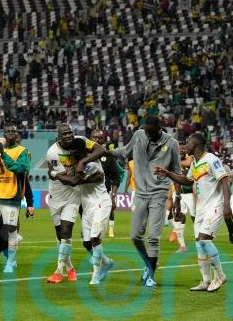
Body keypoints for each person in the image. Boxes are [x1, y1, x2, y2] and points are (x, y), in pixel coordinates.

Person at [107, 115, 181, 289]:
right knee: (135, 236)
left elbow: (177, 171)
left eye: (150, 131)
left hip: (159, 194)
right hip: (140, 194)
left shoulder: (172, 144)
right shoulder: (139, 135)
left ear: (158, 128)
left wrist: (177, 198)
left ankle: (150, 275)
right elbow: (125, 151)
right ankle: (150, 264)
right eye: (145, 130)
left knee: (153, 237)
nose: (146, 133)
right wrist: (105, 152)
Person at [155, 132, 232, 292]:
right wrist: (168, 173)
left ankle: (220, 275)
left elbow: (225, 181)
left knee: (204, 240)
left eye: (188, 142)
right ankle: (206, 281)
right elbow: (187, 180)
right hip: (201, 208)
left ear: (196, 144)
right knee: (199, 245)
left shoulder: (211, 159)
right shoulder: (195, 163)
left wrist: (227, 205)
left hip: (215, 206)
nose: (185, 146)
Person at [46, 124, 114, 285]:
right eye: (64, 134)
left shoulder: (90, 163)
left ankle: (94, 274)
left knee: (91, 237)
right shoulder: (53, 153)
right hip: (79, 201)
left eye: (70, 132)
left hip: (97, 203)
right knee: (85, 242)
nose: (73, 157)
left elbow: (85, 178)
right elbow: (71, 179)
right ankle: (104, 262)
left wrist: (54, 173)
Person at [0, 124, 30, 273]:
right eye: (8, 131)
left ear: (16, 134)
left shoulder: (22, 151)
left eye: (13, 131)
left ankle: (10, 261)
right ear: (3, 134)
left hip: (11, 197)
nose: (11, 133)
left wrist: (3, 155)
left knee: (11, 230)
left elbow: (21, 169)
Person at [91, 131, 122, 238]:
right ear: (91, 138)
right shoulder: (85, 154)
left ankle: (107, 232)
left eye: (99, 137)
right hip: (87, 191)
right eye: (94, 137)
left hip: (104, 191)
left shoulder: (108, 156)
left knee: (106, 212)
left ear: (103, 140)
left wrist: (113, 195)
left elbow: (116, 177)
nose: (96, 139)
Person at [172, 148, 194, 253]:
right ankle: (182, 246)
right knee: (177, 216)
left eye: (183, 148)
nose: (181, 150)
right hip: (179, 194)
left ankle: (202, 243)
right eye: (179, 148)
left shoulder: (191, 159)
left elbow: (188, 164)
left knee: (195, 218)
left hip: (191, 195)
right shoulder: (175, 162)